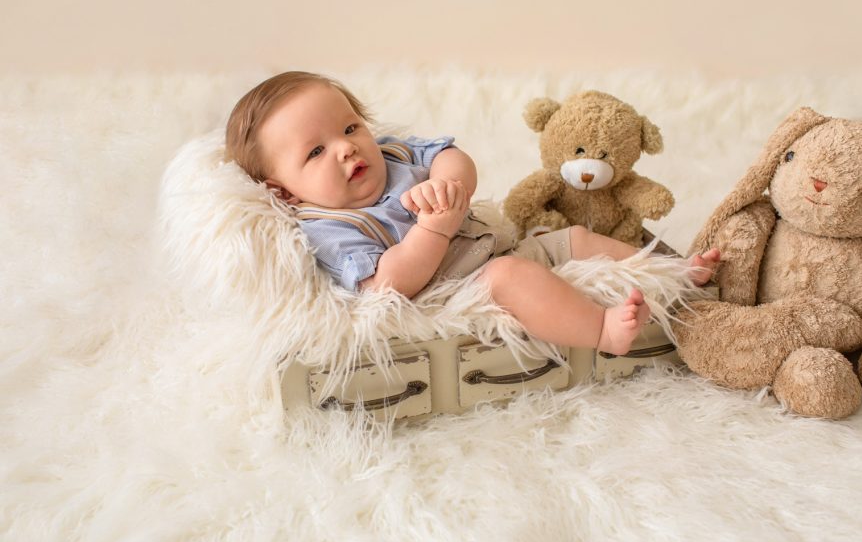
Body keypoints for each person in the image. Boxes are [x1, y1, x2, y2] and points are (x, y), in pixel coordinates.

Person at [225, 71, 720, 356]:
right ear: (284, 193)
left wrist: (450, 181)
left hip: (491, 247)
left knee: (572, 238)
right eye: (315, 152)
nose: (346, 149)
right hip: (453, 293)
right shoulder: (331, 228)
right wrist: (433, 228)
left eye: (350, 128)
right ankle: (602, 331)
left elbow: (449, 153)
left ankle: (673, 272)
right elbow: (385, 286)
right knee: (509, 275)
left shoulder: (393, 154)